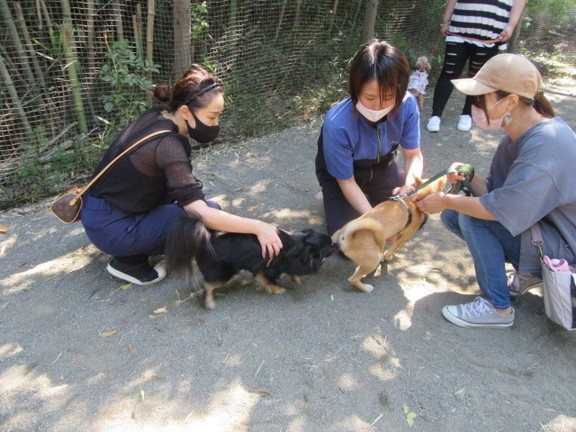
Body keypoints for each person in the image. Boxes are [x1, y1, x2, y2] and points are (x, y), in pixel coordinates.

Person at [412, 53, 576, 329]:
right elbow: (492, 194)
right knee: (457, 214)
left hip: (565, 245)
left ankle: (498, 308)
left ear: (510, 101)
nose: (474, 106)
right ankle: (528, 271)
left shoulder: (546, 143)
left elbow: (495, 210)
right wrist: (469, 174)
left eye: (480, 99)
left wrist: (444, 199)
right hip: (541, 231)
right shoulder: (518, 135)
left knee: (471, 216)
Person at [81, 65, 283, 285]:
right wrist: (260, 227)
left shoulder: (157, 116)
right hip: (113, 227)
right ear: (186, 111)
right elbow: (200, 212)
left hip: (100, 210)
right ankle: (129, 263)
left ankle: (136, 244)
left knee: (205, 211)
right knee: (203, 220)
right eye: (212, 117)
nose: (215, 125)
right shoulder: (169, 145)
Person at [315, 40, 424, 236]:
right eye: (370, 97)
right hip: (342, 177)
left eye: (388, 97)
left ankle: (374, 197)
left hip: (381, 166)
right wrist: (376, 222)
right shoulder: (337, 123)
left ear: (400, 91)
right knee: (352, 239)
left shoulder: (407, 105)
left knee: (414, 218)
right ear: (356, 89)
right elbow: (346, 182)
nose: (377, 107)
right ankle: (343, 204)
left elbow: (414, 155)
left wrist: (409, 185)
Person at [426, 0, 526, 133]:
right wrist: (445, 21)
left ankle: (467, 114)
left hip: (490, 34)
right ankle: (435, 115)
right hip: (459, 30)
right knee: (449, 73)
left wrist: (511, 25)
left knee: (477, 78)